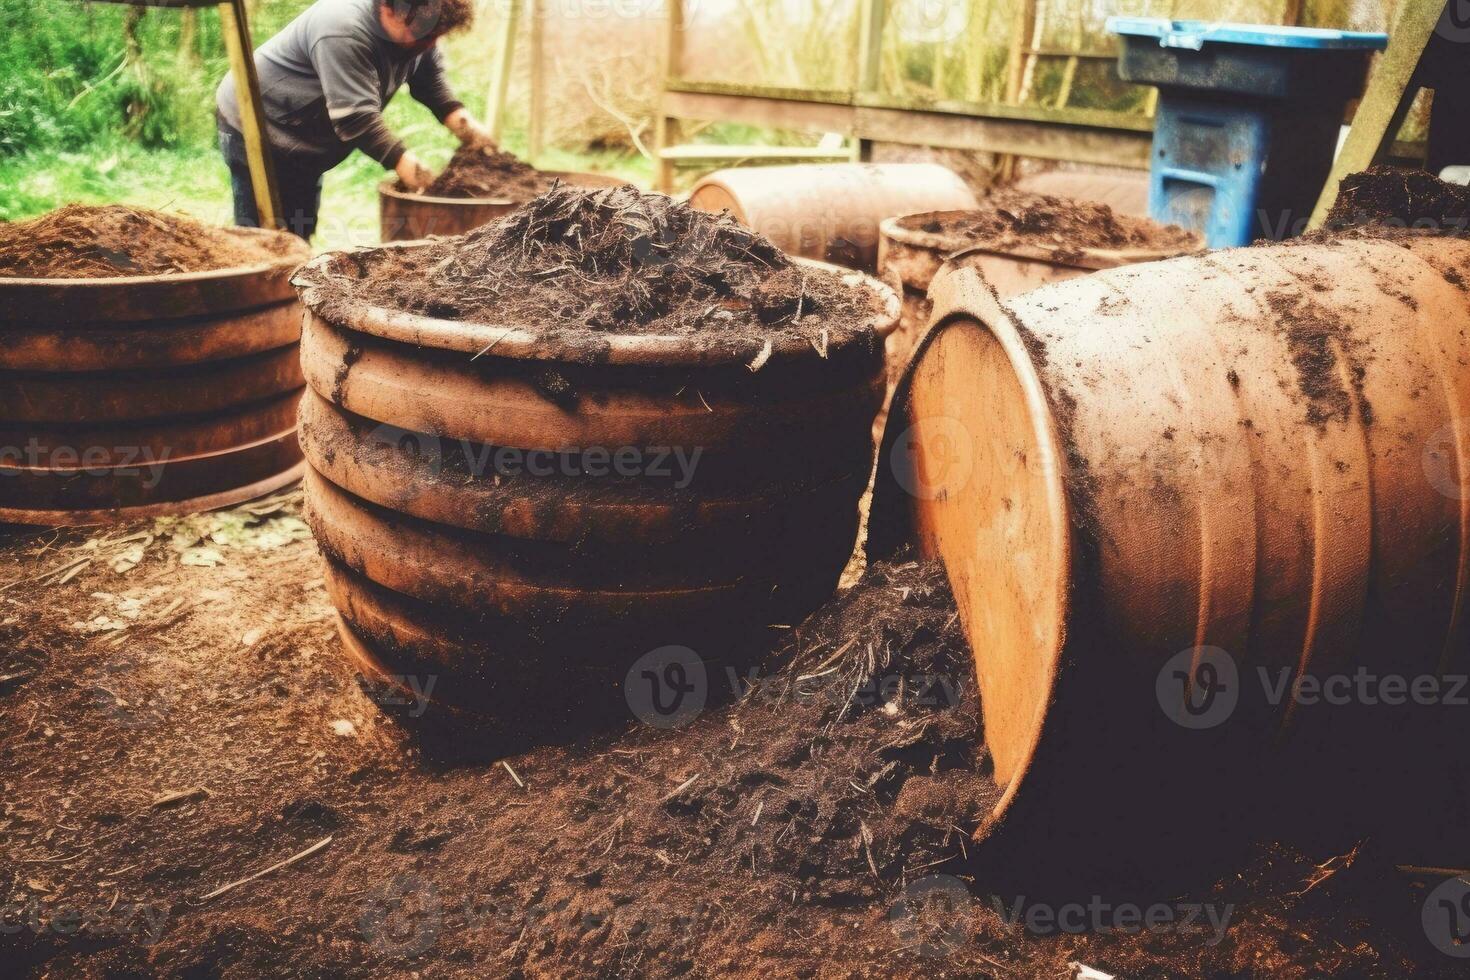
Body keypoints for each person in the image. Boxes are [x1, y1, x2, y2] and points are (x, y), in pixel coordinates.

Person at [216, 0, 493, 241]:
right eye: (423, 36)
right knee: (262, 235)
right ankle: (255, 292)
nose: (428, 44)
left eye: (435, 37)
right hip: (256, 122)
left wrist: (475, 136)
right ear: (388, 7)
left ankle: (290, 274)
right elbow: (356, 119)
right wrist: (424, 180)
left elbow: (430, 83)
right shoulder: (342, 27)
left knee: (298, 229)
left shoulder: (421, 28)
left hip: (306, 136)